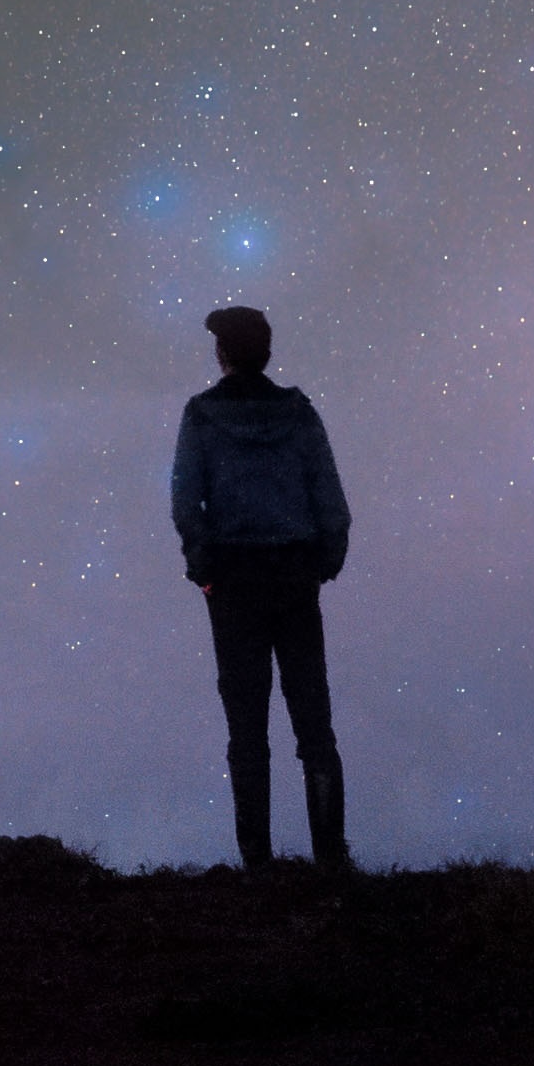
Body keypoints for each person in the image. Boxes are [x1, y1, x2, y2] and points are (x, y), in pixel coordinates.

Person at [167, 302, 352, 873]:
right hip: (294, 574)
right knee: (313, 720)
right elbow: (331, 500)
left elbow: (186, 503)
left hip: (234, 580)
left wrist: (204, 568)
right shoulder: (298, 413)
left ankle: (257, 863)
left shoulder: (201, 416)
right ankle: (330, 860)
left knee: (246, 725)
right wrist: (323, 562)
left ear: (223, 352)